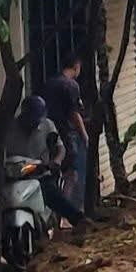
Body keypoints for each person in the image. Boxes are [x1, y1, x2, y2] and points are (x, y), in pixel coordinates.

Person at [2, 95, 86, 234]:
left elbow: (60, 148)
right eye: (30, 118)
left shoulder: (47, 125)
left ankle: (78, 220)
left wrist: (56, 161)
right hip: (15, 174)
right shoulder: (9, 128)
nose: (34, 123)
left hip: (39, 172)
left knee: (51, 193)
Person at [42, 54, 88, 212]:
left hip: (49, 134)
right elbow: (74, 114)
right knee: (71, 173)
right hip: (66, 134)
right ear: (76, 66)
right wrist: (84, 135)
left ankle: (53, 205)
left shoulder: (49, 83)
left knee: (53, 169)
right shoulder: (71, 85)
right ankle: (64, 209)